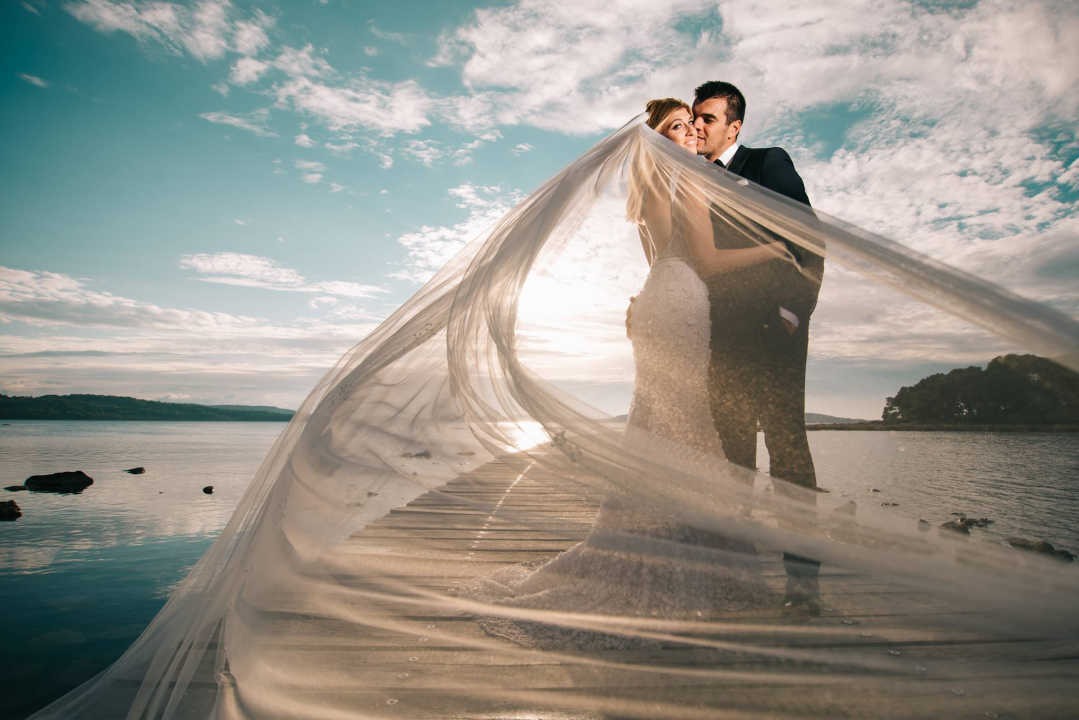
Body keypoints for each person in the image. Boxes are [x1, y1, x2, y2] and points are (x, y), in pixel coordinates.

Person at [692, 80, 826, 613]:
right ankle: (738, 574)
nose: (698, 126)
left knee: (788, 455)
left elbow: (808, 240)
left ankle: (803, 583)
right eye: (694, 117)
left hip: (777, 336)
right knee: (733, 460)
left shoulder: (768, 163)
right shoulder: (691, 181)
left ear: (734, 126)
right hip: (720, 341)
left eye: (707, 117)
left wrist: (794, 311)